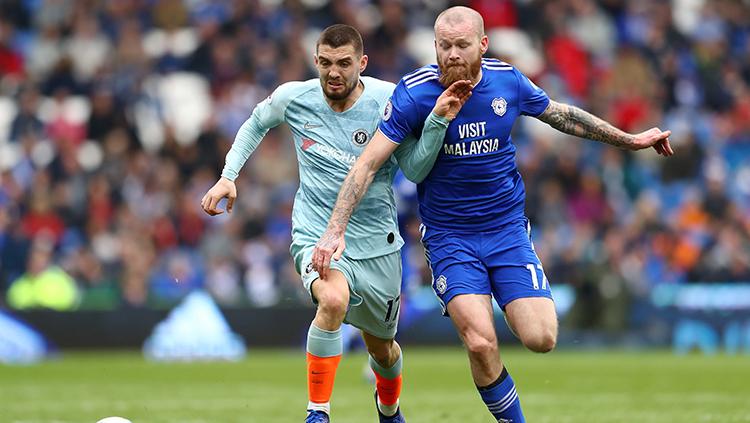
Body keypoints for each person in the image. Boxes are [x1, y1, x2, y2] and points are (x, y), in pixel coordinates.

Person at [312, 7, 673, 422]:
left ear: (482, 45)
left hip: (506, 232)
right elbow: (367, 164)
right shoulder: (414, 93)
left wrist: (629, 140)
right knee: (481, 343)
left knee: (541, 337)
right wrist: (333, 231)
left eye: (461, 45)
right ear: (435, 47)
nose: (451, 54)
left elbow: (560, 114)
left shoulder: (507, 80)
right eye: (444, 46)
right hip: (450, 238)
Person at [200, 24, 472, 423]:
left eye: (344, 63)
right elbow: (257, 121)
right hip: (315, 230)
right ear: (315, 61)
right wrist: (229, 174)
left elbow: (414, 169)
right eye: (325, 63)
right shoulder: (296, 98)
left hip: (377, 242)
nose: (334, 72)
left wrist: (436, 122)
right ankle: (318, 413)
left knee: (383, 349)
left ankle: (389, 409)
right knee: (332, 300)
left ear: (361, 63)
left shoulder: (389, 100)